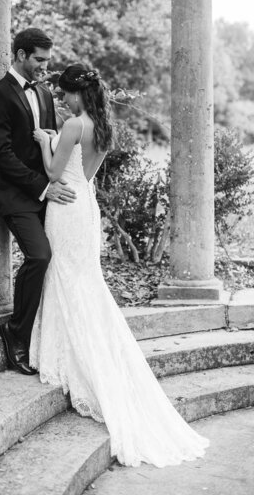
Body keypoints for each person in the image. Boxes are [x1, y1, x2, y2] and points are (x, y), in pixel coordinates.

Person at [30, 64, 209, 468]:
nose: (62, 100)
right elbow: (85, 173)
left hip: (65, 208)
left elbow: (54, 172)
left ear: (76, 95)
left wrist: (45, 140)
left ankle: (70, 358)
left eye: (64, 94)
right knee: (83, 281)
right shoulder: (103, 127)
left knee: (65, 277)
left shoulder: (75, 125)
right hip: (86, 205)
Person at [0, 28, 76, 376]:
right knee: (40, 256)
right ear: (20, 55)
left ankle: (49, 335)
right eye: (39, 59)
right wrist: (42, 187)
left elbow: (50, 144)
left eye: (48, 61)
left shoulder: (45, 93)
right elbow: (1, 155)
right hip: (16, 195)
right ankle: (16, 333)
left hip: (46, 191)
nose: (44, 67)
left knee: (67, 258)